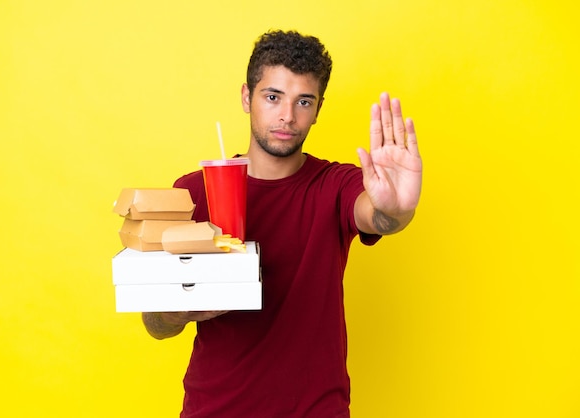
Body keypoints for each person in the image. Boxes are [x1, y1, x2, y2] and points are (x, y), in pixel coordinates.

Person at [142, 30, 423, 417]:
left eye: (303, 101)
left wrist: (398, 208)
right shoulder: (194, 191)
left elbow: (377, 214)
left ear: (319, 108)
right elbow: (155, 323)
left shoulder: (336, 184)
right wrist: (184, 309)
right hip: (215, 408)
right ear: (247, 97)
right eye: (273, 97)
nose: (287, 116)